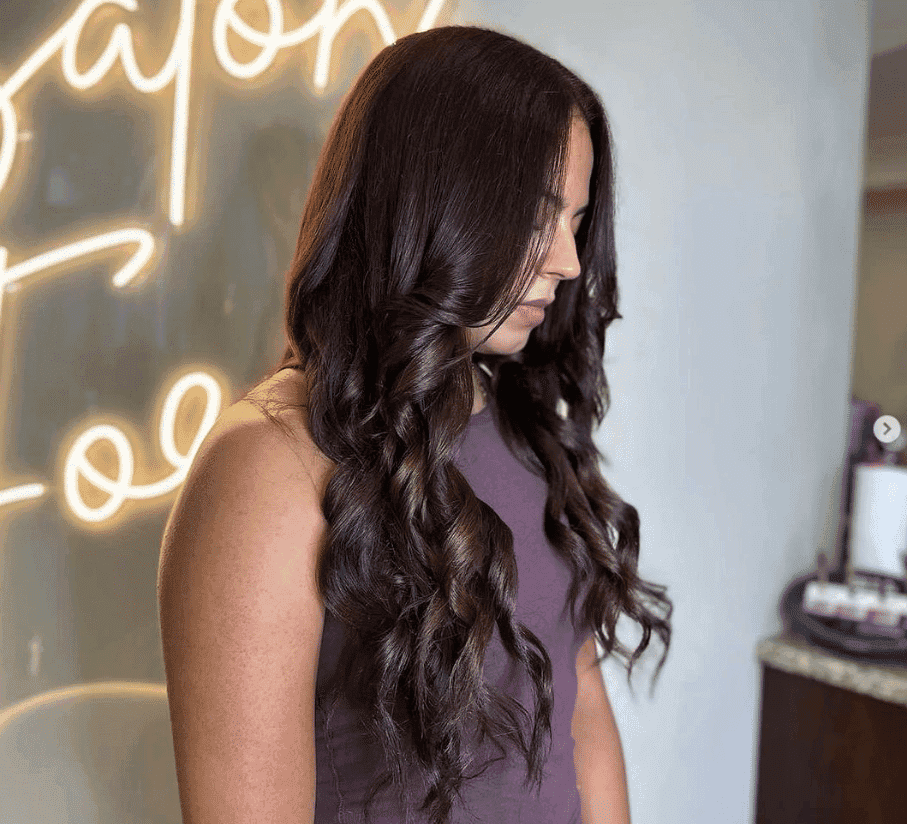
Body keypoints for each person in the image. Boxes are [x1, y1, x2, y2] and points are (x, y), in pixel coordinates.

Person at [157, 25, 672, 824]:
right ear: (437, 202)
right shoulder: (267, 470)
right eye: (540, 215)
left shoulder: (519, 426)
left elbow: (577, 708)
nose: (569, 263)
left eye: (576, 221)